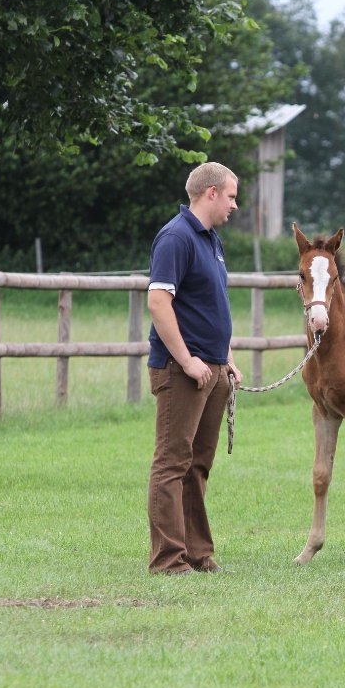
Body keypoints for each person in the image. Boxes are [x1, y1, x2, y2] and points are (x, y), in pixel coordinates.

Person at [145, 161, 244, 575]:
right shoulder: (176, 238)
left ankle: (198, 554)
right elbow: (158, 302)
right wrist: (187, 360)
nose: (235, 206)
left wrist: (228, 361)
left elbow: (210, 306)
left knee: (198, 465)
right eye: (232, 196)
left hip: (214, 369)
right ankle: (168, 560)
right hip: (183, 370)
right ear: (210, 194)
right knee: (172, 463)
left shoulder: (211, 240)